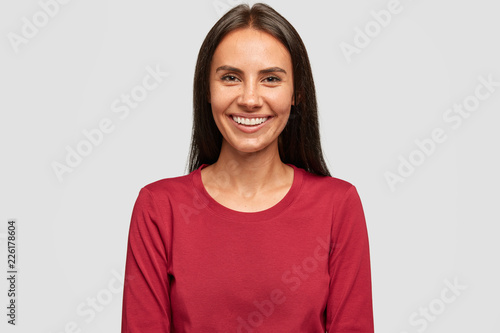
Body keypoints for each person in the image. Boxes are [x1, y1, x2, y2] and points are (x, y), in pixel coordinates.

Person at [121, 3, 374, 332]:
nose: (250, 99)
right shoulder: (159, 207)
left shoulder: (338, 205)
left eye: (270, 78)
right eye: (230, 78)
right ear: (207, 91)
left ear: (297, 93)